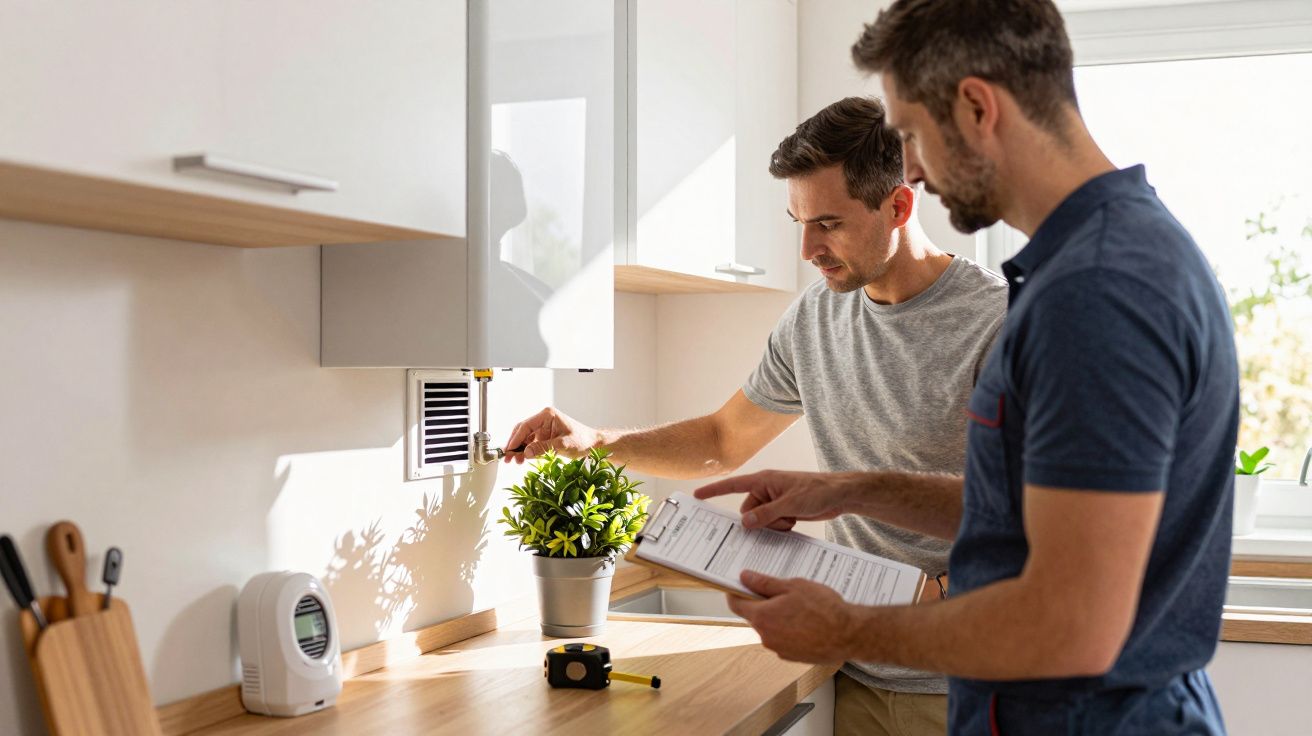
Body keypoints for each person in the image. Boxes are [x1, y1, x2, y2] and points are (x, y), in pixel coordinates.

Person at [695, 2, 1239, 734]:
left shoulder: (1097, 291)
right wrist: (847, 489)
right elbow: (1028, 509)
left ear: (978, 106)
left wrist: (849, 629)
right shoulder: (1096, 263)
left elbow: (1070, 623)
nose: (911, 167)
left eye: (913, 134)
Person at [505, 96, 1007, 735]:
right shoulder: (816, 317)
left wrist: (941, 597)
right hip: (857, 668)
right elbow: (722, 439)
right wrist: (593, 440)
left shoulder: (997, 323)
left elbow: (1041, 516)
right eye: (797, 220)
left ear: (899, 207)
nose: (806, 248)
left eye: (827, 223)